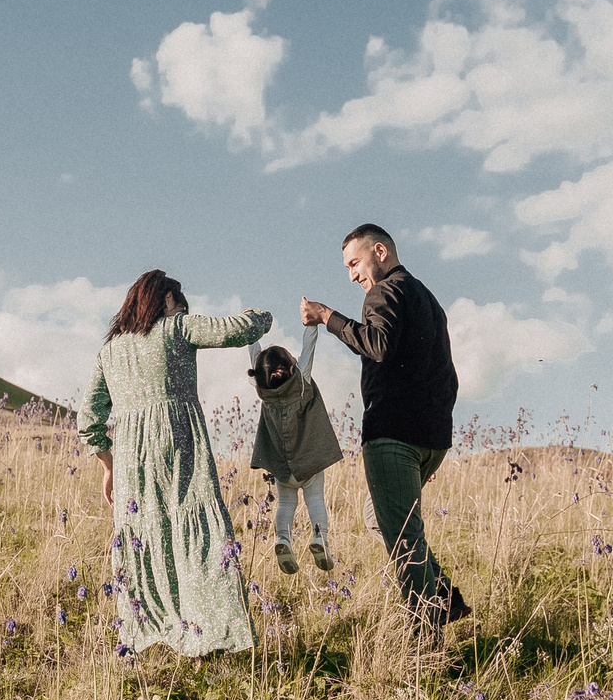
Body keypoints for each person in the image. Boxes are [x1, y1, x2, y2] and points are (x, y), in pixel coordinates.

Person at [80, 270, 272, 659]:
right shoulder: (177, 329)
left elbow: (88, 419)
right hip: (180, 446)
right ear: (168, 300)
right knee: (197, 535)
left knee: (145, 539)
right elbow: (238, 329)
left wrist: (109, 466)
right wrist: (262, 316)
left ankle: (148, 635)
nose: (183, 310)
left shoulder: (110, 351)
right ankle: (209, 636)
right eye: (181, 304)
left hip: (133, 461)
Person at [300, 225, 470, 633]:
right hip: (432, 440)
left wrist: (327, 317)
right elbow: (450, 377)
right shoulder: (427, 298)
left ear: (380, 251)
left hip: (394, 436)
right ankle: (445, 598)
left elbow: (377, 345)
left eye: (354, 263)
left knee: (404, 541)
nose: (352, 276)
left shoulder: (384, 292)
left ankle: (424, 644)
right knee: (378, 517)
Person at [246, 325, 341, 575]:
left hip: (282, 468)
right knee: (315, 500)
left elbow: (254, 355)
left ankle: (283, 540)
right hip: (308, 463)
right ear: (291, 368)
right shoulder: (301, 382)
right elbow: (309, 348)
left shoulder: (262, 390)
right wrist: (310, 324)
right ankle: (320, 538)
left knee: (286, 503)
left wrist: (250, 331)